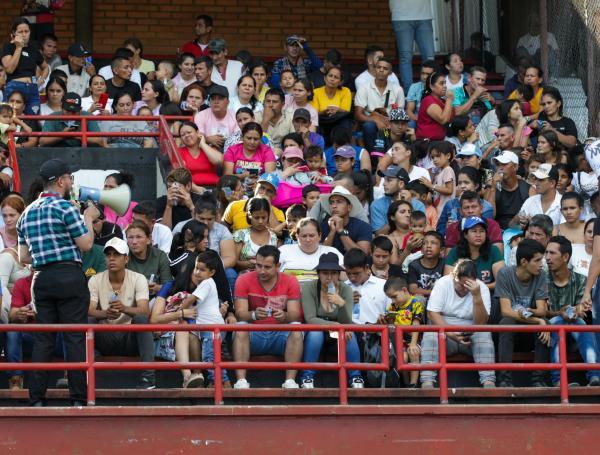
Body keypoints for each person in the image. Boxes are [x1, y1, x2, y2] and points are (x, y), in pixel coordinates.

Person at [17, 158, 99, 406]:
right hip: (69, 275)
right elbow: (85, 245)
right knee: (74, 337)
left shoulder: (26, 212)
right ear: (62, 180)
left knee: (44, 338)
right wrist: (88, 217)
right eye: (70, 179)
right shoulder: (66, 208)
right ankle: (77, 398)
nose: (71, 183)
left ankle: (36, 398)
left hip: (40, 278)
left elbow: (23, 257)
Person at [87, 237, 155, 388]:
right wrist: (105, 314)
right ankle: (88, 374)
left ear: (126, 259)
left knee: (141, 321)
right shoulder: (95, 280)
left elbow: (145, 311)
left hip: (129, 338)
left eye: (116, 255)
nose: (111, 258)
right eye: (108, 254)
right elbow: (90, 310)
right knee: (88, 321)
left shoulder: (139, 278)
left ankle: (148, 378)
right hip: (106, 336)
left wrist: (124, 308)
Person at [232, 245, 303, 389]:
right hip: (254, 334)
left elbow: (296, 315)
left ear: (278, 266)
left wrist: (285, 316)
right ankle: (241, 381)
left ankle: (290, 381)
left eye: (267, 267)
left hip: (279, 334)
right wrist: (253, 315)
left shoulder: (291, 281)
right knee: (240, 327)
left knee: (296, 328)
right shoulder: (243, 279)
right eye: (258, 265)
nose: (261, 271)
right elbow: (239, 314)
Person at [420, 259, 496, 389]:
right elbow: (432, 314)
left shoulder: (480, 288)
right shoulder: (443, 283)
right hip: (445, 333)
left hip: (471, 334)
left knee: (484, 332)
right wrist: (450, 333)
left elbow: (481, 323)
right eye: (461, 284)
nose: (464, 289)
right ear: (454, 277)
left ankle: (488, 382)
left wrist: (476, 296)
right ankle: (427, 382)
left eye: (468, 285)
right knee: (431, 332)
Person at [299, 252, 364, 389]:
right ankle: (307, 377)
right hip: (317, 329)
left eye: (333, 273)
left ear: (339, 274)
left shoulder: (346, 289)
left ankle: (356, 377)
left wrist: (342, 304)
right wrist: (335, 325)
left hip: (337, 331)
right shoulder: (308, 288)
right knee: (316, 334)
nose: (329, 277)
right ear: (318, 274)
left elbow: (347, 322)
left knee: (348, 334)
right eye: (325, 273)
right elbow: (310, 318)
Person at [544, 236, 600, 387]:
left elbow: (582, 307)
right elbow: (541, 311)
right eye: (546, 253)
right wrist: (560, 314)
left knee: (579, 321)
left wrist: (575, 311)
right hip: (548, 333)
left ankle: (595, 377)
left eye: (552, 253)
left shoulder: (581, 280)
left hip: (574, 331)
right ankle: (559, 380)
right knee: (559, 322)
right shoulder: (541, 280)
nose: (547, 257)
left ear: (565, 257)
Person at [495, 239, 550, 387]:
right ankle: (504, 379)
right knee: (507, 323)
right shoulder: (505, 274)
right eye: (538, 260)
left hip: (528, 329)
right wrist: (538, 320)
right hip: (511, 326)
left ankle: (539, 379)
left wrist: (536, 316)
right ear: (524, 261)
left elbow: (541, 310)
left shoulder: (541, 275)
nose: (542, 264)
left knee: (547, 325)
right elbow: (506, 311)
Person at [354, 57, 406, 154]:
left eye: (385, 68)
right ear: (375, 69)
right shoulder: (364, 88)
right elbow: (358, 114)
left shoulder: (397, 89)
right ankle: (373, 158)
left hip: (390, 125)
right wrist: (376, 120)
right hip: (372, 123)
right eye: (379, 67)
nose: (381, 70)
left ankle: (392, 156)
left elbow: (400, 114)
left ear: (390, 72)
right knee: (369, 126)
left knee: (394, 130)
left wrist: (390, 124)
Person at [444, 216, 504, 290]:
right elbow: (447, 282)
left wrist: (479, 288)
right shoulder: (455, 252)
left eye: (482, 231)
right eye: (474, 231)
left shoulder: (494, 250)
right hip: (461, 294)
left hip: (487, 294)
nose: (478, 235)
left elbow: (501, 282)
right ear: (465, 235)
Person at [2, 17, 48, 114]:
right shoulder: (8, 46)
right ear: (14, 33)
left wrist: (41, 80)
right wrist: (19, 47)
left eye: (26, 31)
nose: (24, 34)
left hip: (32, 87)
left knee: (33, 118)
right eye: (20, 31)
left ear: (30, 32)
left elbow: (45, 67)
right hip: (15, 86)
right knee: (10, 117)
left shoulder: (33, 48)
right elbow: (9, 69)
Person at [388, 0, 435, 92]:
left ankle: (428, 89)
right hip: (401, 15)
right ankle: (410, 93)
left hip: (424, 15)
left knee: (429, 56)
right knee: (406, 57)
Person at [279, 217, 344, 283]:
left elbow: (346, 279)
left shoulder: (332, 252)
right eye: (304, 236)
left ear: (320, 236)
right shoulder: (284, 251)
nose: (308, 239)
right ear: (297, 236)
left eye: (311, 235)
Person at [437, 166, 493, 236]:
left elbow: (485, 233)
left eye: (466, 183)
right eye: (460, 183)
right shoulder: (450, 204)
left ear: (476, 185)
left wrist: (456, 226)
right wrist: (447, 228)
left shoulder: (486, 207)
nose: (462, 186)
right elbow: (439, 232)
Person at [371, 165, 426, 235]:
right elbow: (379, 234)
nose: (384, 184)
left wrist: (409, 205)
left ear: (401, 184)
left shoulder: (418, 205)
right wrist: (396, 209)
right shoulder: (377, 204)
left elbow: (420, 230)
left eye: (389, 180)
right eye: (384, 180)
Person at [126, 221, 173, 299]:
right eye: (130, 237)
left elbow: (168, 286)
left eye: (138, 237)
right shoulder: (123, 256)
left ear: (149, 239)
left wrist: (156, 288)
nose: (134, 242)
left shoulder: (159, 256)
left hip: (154, 301)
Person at [484, 150, 531, 230]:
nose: (500, 168)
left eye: (505, 164)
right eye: (498, 165)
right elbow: (488, 217)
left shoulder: (528, 188)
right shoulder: (491, 187)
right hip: (497, 230)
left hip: (520, 229)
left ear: (515, 167)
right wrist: (493, 187)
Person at [344, 248, 389, 325]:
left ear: (367, 268)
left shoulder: (384, 285)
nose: (352, 278)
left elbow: (391, 313)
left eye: (356, 273)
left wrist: (384, 321)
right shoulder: (341, 288)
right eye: (348, 273)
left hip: (379, 333)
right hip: (350, 333)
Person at [320, 186, 372, 255]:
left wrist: (341, 231)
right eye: (331, 202)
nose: (334, 206)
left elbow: (362, 255)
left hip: (353, 265)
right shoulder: (323, 226)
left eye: (339, 202)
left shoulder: (363, 227)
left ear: (349, 207)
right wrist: (332, 232)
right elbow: (321, 255)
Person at [233, 197, 279, 273]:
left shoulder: (273, 236)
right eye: (256, 218)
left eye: (263, 218)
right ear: (249, 216)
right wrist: (246, 264)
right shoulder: (240, 235)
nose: (260, 221)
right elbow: (234, 261)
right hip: (245, 277)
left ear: (268, 216)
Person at [311, 66, 352, 145]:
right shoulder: (316, 92)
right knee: (315, 122)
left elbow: (346, 111)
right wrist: (324, 112)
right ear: (325, 78)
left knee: (346, 121)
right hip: (322, 120)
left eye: (336, 77)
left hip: (338, 120)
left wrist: (337, 110)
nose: (332, 79)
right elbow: (314, 113)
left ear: (340, 82)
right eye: (330, 76)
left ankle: (343, 147)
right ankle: (318, 149)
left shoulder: (345, 91)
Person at [178, 121, 223, 189]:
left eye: (189, 132)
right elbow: (181, 176)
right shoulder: (179, 152)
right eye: (183, 135)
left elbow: (219, 160)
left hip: (214, 187)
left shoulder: (208, 149)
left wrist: (203, 144)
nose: (186, 136)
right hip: (193, 189)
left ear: (197, 133)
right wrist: (197, 189)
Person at [194, 85, 238, 151]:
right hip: (206, 151)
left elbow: (239, 138)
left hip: (231, 151)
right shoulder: (201, 115)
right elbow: (197, 137)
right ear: (210, 102)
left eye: (220, 98)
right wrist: (208, 139)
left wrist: (226, 142)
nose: (216, 102)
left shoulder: (235, 116)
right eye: (213, 98)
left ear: (228, 102)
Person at [416, 73, 454, 141]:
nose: (445, 86)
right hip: (427, 142)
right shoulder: (428, 100)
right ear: (431, 86)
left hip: (440, 140)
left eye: (445, 83)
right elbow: (443, 120)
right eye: (441, 83)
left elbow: (451, 117)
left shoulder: (443, 101)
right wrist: (449, 99)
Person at [407, 230, 444, 300]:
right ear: (421, 249)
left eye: (433, 243)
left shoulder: (444, 264)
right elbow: (413, 289)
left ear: (441, 250)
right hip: (421, 300)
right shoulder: (414, 265)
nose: (428, 246)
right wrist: (434, 292)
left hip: (439, 299)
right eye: (424, 243)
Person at [256, 88, 294, 154]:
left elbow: (294, 142)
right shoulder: (256, 116)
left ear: (283, 104)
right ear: (264, 102)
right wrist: (265, 120)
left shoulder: (290, 117)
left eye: (275, 102)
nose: (270, 105)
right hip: (260, 153)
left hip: (284, 154)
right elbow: (255, 140)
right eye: (268, 101)